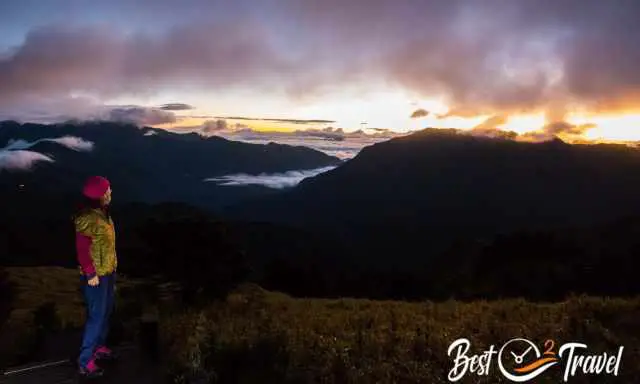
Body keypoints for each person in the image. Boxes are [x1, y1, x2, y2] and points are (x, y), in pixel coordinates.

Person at [74, 176, 118, 378]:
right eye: (107, 191)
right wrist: (90, 272)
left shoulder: (102, 214)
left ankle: (99, 347)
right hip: (96, 277)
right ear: (98, 196)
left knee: (105, 311)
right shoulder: (88, 220)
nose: (110, 193)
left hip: (108, 273)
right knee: (96, 317)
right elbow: (82, 250)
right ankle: (85, 362)